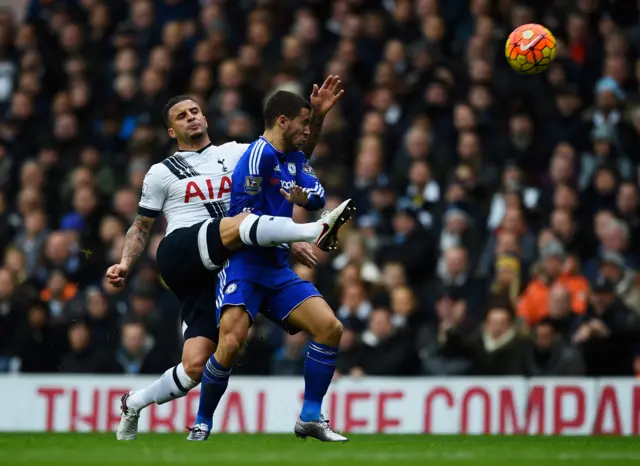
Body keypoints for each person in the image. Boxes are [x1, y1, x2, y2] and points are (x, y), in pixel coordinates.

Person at [111, 77, 350, 441]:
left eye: (195, 111)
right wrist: (125, 262)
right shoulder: (161, 172)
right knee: (238, 223)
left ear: (205, 118)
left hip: (222, 265)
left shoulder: (239, 152)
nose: (191, 118)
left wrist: (315, 117)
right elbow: (141, 226)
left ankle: (134, 402)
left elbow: (296, 154)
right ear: (171, 131)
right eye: (181, 115)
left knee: (195, 366)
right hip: (182, 251)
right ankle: (315, 230)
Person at [192, 90, 352, 442]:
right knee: (231, 344)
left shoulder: (293, 158)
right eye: (304, 122)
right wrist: (294, 237)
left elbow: (318, 196)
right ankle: (202, 422)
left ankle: (310, 416)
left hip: (277, 268)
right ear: (283, 121)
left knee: (330, 328)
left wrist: (301, 198)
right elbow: (242, 221)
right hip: (244, 265)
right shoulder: (256, 157)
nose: (308, 130)